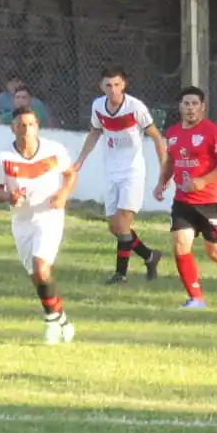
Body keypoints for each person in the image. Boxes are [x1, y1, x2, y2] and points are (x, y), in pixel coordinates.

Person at [0, 107, 77, 343]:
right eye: (21, 125)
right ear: (13, 128)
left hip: (49, 216)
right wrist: (8, 197)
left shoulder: (54, 150)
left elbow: (70, 174)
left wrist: (63, 194)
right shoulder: (4, 158)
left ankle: (50, 323)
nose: (26, 130)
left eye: (31, 125)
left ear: (37, 127)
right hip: (22, 221)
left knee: (41, 267)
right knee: (38, 277)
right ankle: (62, 320)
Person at [72, 68, 167, 284]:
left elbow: (156, 137)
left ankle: (120, 275)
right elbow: (95, 132)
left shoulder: (135, 107)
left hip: (132, 171)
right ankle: (150, 256)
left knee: (123, 222)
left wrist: (164, 170)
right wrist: (80, 160)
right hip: (111, 171)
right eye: (108, 85)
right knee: (115, 227)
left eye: (116, 84)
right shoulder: (98, 106)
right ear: (101, 87)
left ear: (123, 84)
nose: (113, 89)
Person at [155, 86, 217, 309]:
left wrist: (203, 181)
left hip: (211, 202)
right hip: (183, 201)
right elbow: (171, 162)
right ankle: (196, 298)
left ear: (203, 107)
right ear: (180, 107)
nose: (190, 108)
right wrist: (162, 182)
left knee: (216, 254)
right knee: (180, 244)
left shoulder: (213, 131)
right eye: (186, 104)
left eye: (194, 104)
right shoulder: (172, 133)